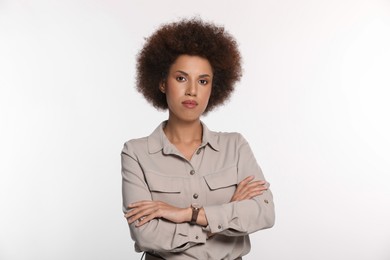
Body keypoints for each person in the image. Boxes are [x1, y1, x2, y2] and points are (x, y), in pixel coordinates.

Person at [121, 18, 275, 260]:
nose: (192, 90)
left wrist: (188, 214)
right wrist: (224, 216)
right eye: (181, 78)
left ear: (213, 88)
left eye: (203, 81)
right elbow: (147, 235)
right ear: (162, 83)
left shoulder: (235, 147)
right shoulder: (136, 152)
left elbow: (264, 213)